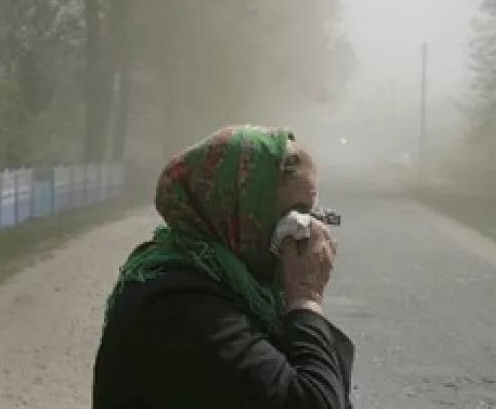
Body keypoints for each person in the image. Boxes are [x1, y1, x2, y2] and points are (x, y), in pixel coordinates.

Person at [92, 125, 353, 409]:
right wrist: (306, 298)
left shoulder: (229, 283)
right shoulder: (179, 307)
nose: (308, 229)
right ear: (242, 209)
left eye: (312, 213)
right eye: (297, 215)